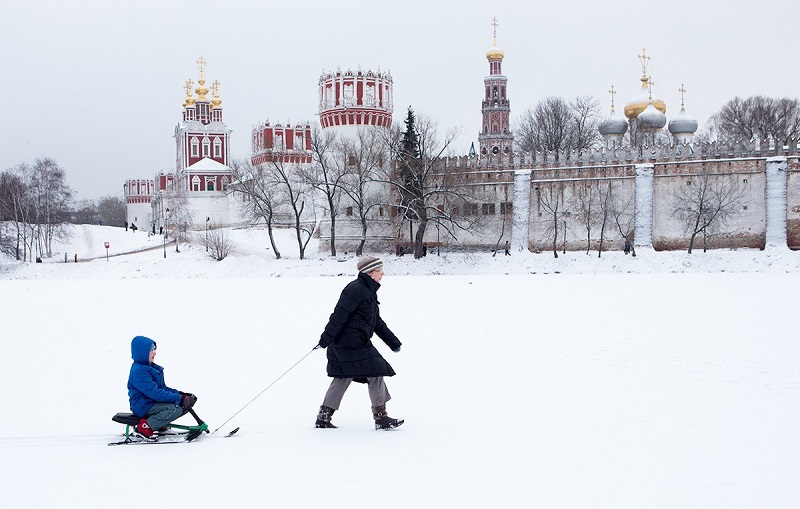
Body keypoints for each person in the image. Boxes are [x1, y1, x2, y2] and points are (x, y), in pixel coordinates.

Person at [314, 256, 404, 431]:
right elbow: (339, 316)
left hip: (355, 342)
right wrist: (324, 340)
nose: (382, 274)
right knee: (376, 372)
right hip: (349, 343)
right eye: (380, 271)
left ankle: (323, 417)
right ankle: (381, 418)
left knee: (344, 376)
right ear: (370, 273)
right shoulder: (355, 290)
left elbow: (376, 321)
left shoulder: (368, 290)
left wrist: (393, 342)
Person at [127, 335, 197, 439]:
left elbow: (162, 389)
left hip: (150, 402)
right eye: (151, 350)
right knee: (175, 409)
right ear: (142, 352)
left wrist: (180, 394)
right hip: (143, 406)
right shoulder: (139, 371)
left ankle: (159, 424)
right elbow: (156, 393)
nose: (154, 353)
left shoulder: (149, 367)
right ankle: (145, 428)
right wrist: (180, 399)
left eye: (154, 349)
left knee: (182, 405)